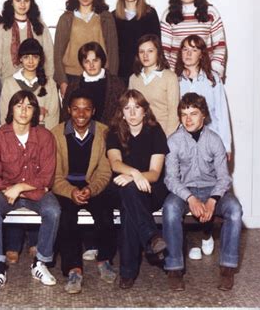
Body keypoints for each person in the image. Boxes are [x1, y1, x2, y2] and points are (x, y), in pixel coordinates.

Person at [0, 90, 60, 293]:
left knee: (53, 211)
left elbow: (47, 178)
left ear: (35, 111)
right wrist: (11, 189)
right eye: (19, 105)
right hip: (6, 192)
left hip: (35, 192)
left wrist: (21, 188)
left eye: (29, 106)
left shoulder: (45, 136)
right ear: (11, 109)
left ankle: (40, 263)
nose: (24, 111)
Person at [163, 93, 242, 291]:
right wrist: (190, 199)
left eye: (194, 113)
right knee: (170, 208)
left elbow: (224, 178)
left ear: (204, 115)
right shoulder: (173, 141)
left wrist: (212, 200)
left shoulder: (215, 140)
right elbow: (170, 178)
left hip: (212, 189)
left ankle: (227, 268)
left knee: (234, 209)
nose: (188, 119)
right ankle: (174, 269)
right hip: (185, 190)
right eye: (184, 114)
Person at [52, 89, 118, 294]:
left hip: (92, 186)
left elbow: (105, 171)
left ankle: (104, 259)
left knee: (106, 214)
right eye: (76, 109)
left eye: (86, 109)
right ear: (69, 110)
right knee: (66, 218)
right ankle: (73, 269)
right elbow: (53, 175)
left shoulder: (104, 132)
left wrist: (91, 189)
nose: (81, 114)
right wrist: (71, 192)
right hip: (65, 188)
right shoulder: (56, 133)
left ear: (93, 111)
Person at [175, 35, 233, 261]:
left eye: (194, 49)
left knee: (211, 189)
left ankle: (207, 233)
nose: (188, 54)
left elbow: (221, 114)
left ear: (202, 54)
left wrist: (225, 146)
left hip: (210, 144)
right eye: (185, 50)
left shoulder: (212, 80)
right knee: (185, 191)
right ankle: (185, 241)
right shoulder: (175, 80)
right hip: (184, 145)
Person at [106, 89, 169, 289]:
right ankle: (151, 237)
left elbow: (156, 173)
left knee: (128, 205)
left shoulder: (155, 131)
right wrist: (135, 173)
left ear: (144, 111)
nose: (132, 113)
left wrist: (137, 177)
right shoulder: (114, 132)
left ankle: (127, 273)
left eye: (137, 108)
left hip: (152, 190)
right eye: (127, 108)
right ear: (121, 112)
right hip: (123, 186)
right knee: (129, 193)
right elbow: (115, 163)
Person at [54, 0, 118, 98]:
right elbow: (57, 54)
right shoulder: (66, 18)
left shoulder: (105, 17)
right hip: (72, 76)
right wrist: (62, 81)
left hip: (100, 75)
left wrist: (113, 80)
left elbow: (113, 52)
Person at [160, 0, 227, 78]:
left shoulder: (211, 12)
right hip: (177, 75)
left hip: (205, 74)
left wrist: (213, 72)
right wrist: (171, 75)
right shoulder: (168, 15)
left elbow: (219, 46)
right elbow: (164, 50)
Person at [0, 0, 54, 81]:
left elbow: (49, 58)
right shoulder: (1, 29)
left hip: (36, 83)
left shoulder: (41, 27)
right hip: (8, 84)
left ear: (31, 3)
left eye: (26, 1)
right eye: (18, 0)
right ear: (11, 2)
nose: (22, 5)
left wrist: (49, 82)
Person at [60, 41, 125, 125]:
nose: (91, 65)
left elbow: (122, 113)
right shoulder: (73, 85)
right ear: (82, 64)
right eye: (87, 61)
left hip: (110, 132)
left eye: (95, 60)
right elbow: (65, 115)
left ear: (102, 61)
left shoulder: (117, 84)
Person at [112, 0, 161, 85]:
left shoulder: (150, 14)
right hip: (121, 73)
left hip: (145, 70)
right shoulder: (113, 16)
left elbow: (157, 44)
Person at [0, 38, 59, 129]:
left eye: (35, 57)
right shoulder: (9, 83)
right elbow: (5, 116)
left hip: (41, 137)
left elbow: (53, 118)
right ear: (20, 59)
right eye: (26, 57)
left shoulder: (50, 84)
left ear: (40, 59)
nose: (31, 61)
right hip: (15, 136)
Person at [129, 34, 180, 137]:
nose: (145, 55)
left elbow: (174, 113)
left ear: (158, 53)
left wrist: (165, 138)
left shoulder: (170, 77)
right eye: (141, 52)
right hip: (139, 134)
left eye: (150, 51)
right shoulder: (133, 78)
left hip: (163, 133)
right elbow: (130, 110)